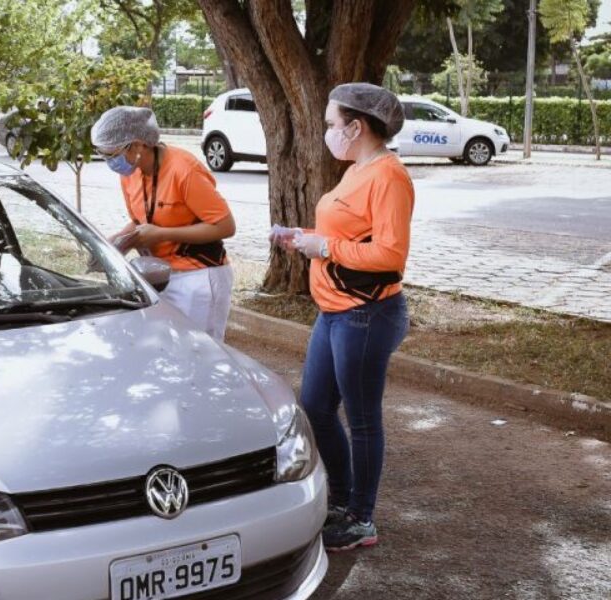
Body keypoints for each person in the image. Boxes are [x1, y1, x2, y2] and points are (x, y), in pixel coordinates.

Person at [271, 83, 414, 552]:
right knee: (314, 408)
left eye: (334, 124)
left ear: (358, 126)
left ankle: (361, 518)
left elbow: (390, 254)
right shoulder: (357, 169)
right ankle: (346, 498)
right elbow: (346, 232)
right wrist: (304, 237)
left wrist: (325, 247)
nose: (329, 132)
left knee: (363, 418)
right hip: (333, 311)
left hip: (366, 315)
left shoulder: (389, 176)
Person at [91, 106, 237, 342]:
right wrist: (117, 242)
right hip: (158, 276)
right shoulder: (130, 173)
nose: (110, 162)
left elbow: (225, 226)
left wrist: (161, 235)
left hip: (199, 276)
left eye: (112, 154)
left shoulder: (184, 169)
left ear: (138, 145)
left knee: (199, 354)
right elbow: (141, 220)